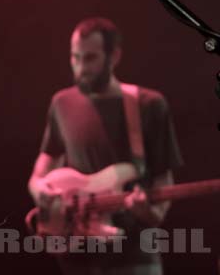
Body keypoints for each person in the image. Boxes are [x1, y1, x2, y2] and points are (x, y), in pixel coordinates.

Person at [28, 17, 183, 275]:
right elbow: (39, 174)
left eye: (90, 58)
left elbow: (163, 183)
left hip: (133, 257)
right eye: (75, 58)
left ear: (114, 56)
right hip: (75, 257)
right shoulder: (61, 103)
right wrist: (41, 191)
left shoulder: (148, 105)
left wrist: (149, 212)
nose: (80, 68)